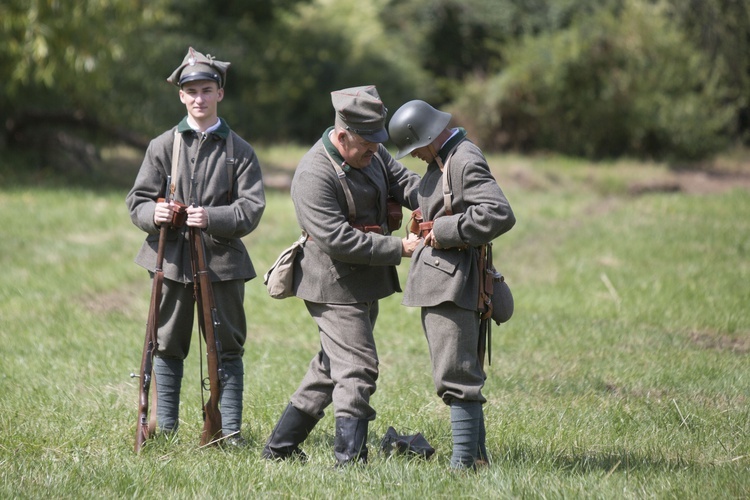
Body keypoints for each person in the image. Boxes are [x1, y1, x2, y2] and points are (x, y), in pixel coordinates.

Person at [261, 85, 421, 466]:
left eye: (377, 144)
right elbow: (337, 240)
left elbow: (406, 183)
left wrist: (446, 194)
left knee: (330, 367)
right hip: (332, 284)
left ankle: (279, 449)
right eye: (366, 145)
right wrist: (399, 247)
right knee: (358, 368)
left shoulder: (373, 150)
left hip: (365, 281)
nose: (374, 151)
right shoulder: (313, 173)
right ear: (342, 134)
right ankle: (349, 463)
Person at [126, 47, 265, 447]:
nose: (199, 98)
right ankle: (166, 429)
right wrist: (156, 214)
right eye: (191, 91)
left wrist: (214, 218)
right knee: (166, 343)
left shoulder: (239, 150)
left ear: (220, 92)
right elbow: (137, 200)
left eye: (206, 89)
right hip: (170, 261)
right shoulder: (162, 145)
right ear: (181, 96)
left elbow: (252, 208)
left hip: (222, 262)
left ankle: (230, 431)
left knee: (227, 346)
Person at [388, 100, 516, 469]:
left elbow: (498, 212)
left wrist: (442, 231)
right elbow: (434, 197)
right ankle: (476, 458)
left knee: (456, 374)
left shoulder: (462, 159)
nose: (414, 157)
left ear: (426, 137)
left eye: (414, 148)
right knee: (458, 370)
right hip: (445, 279)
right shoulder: (443, 160)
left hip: (454, 282)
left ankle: (464, 464)